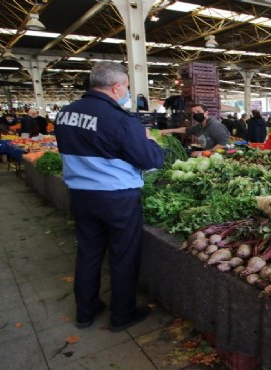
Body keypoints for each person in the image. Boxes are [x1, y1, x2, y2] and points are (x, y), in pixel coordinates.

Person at [54, 61, 165, 332]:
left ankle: (86, 311)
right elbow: (151, 161)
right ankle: (122, 314)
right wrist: (149, 140)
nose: (126, 92)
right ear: (116, 87)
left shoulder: (65, 114)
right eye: (126, 87)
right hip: (117, 198)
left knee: (89, 252)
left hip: (81, 195)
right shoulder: (121, 119)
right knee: (123, 255)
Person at [160, 104, 229, 156]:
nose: (196, 114)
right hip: (207, 155)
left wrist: (202, 153)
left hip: (219, 156)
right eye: (194, 113)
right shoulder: (199, 127)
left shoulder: (215, 125)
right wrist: (169, 131)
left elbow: (222, 144)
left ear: (206, 113)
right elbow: (185, 130)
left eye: (198, 111)